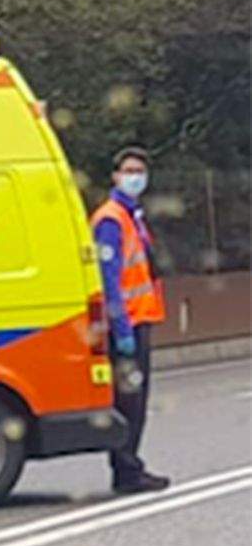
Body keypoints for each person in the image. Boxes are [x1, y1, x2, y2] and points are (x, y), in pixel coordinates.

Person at [90, 146, 172, 494]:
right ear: (115, 176)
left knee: (134, 401)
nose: (135, 176)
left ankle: (129, 465)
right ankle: (126, 470)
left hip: (138, 321)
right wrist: (121, 328)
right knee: (129, 402)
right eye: (128, 170)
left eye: (140, 170)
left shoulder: (131, 216)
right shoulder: (111, 219)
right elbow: (109, 279)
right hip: (126, 327)